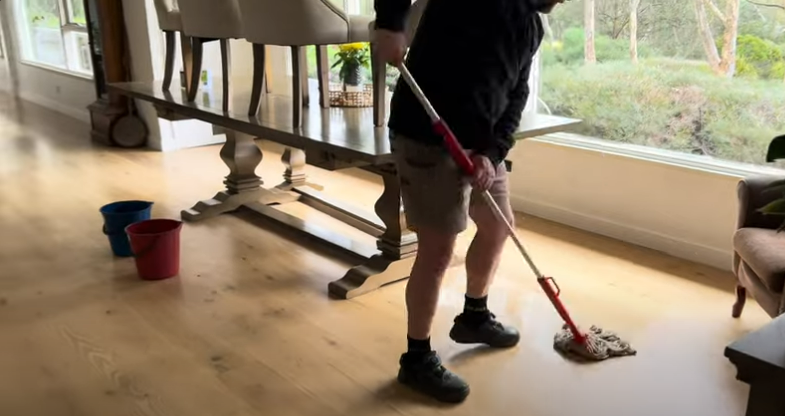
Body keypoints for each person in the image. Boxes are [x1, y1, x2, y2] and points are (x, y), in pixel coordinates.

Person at [373, 0, 565, 404]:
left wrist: (492, 153)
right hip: (426, 134)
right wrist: (391, 23)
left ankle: (474, 316)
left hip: (480, 147)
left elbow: (517, 95)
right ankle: (417, 359)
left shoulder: (530, 25)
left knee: (499, 226)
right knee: (438, 250)